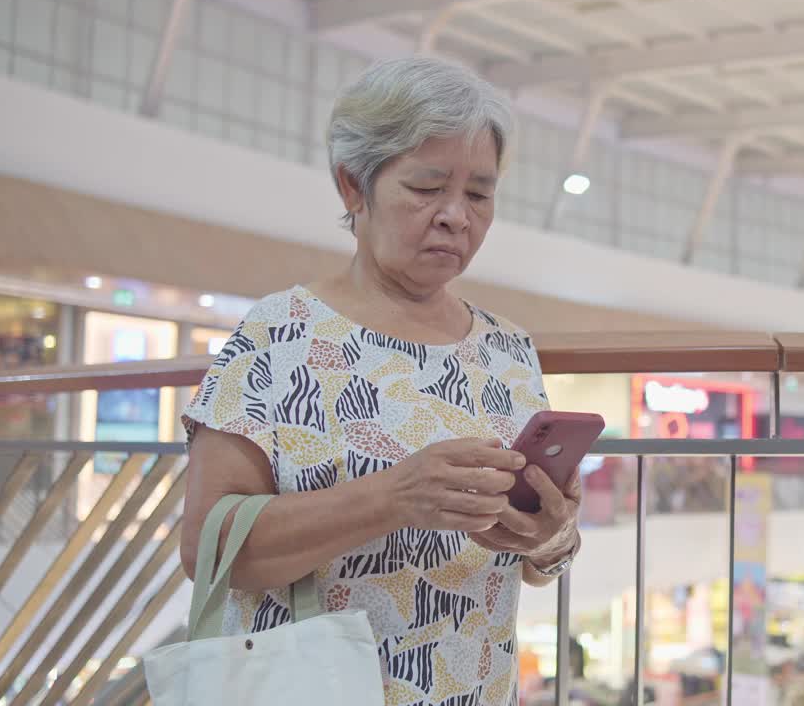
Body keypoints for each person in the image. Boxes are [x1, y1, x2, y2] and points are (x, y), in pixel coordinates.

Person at [178, 56, 583, 706]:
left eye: (479, 194)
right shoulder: (282, 334)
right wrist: (395, 497)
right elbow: (208, 547)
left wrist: (551, 537)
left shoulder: (508, 350)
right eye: (427, 188)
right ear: (352, 186)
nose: (457, 215)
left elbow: (540, 563)